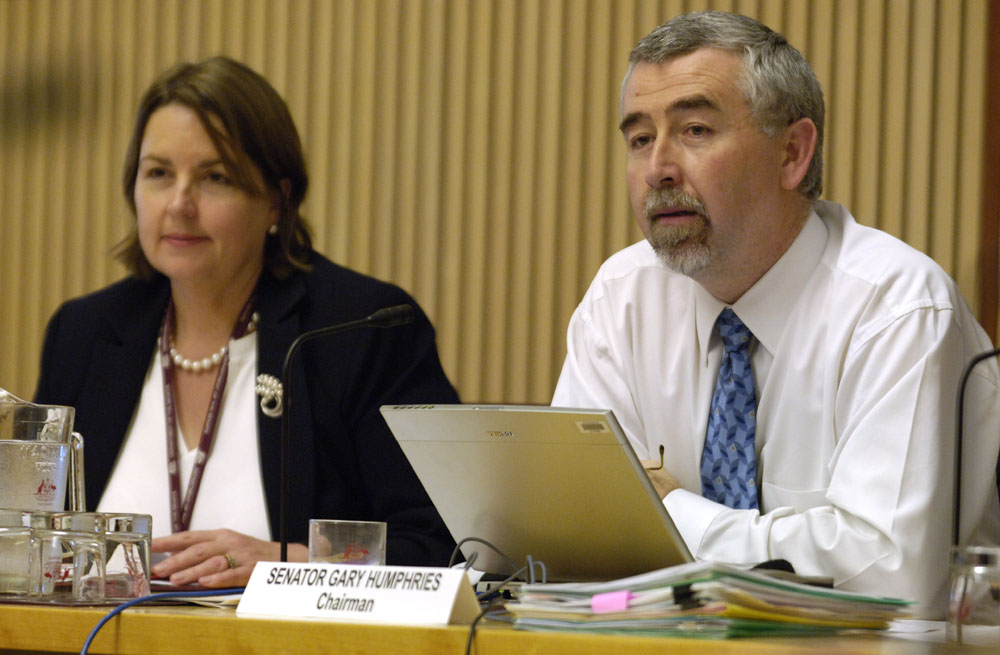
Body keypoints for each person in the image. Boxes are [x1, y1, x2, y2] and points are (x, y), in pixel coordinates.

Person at [552, 11, 1000, 616]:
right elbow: (573, 535)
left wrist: (669, 512)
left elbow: (888, 580)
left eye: (695, 130)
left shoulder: (899, 309)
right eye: (638, 139)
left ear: (792, 152)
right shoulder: (622, 298)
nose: (657, 167)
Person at [34, 56, 459, 588]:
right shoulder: (85, 333)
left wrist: (293, 563)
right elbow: (33, 539)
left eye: (215, 177)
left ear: (277, 202)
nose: (180, 204)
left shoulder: (362, 331)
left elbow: (442, 545)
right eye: (159, 174)